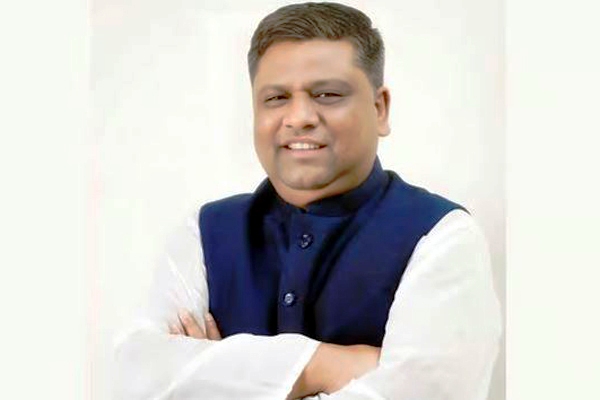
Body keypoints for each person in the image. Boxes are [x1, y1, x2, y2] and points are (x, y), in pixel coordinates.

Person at [113, 2, 502, 399]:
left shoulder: (441, 237)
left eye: (328, 94)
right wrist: (328, 365)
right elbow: (136, 377)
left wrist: (220, 374)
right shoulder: (205, 231)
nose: (299, 117)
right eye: (276, 98)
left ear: (380, 108)